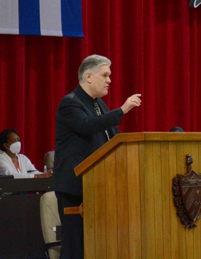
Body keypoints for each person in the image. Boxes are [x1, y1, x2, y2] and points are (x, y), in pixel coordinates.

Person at [53, 55, 142, 259]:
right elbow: (87, 126)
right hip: (74, 187)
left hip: (98, 186)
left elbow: (113, 135)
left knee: (98, 244)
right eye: (105, 75)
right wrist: (122, 110)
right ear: (89, 76)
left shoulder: (98, 104)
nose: (110, 80)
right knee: (75, 246)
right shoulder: (70, 103)